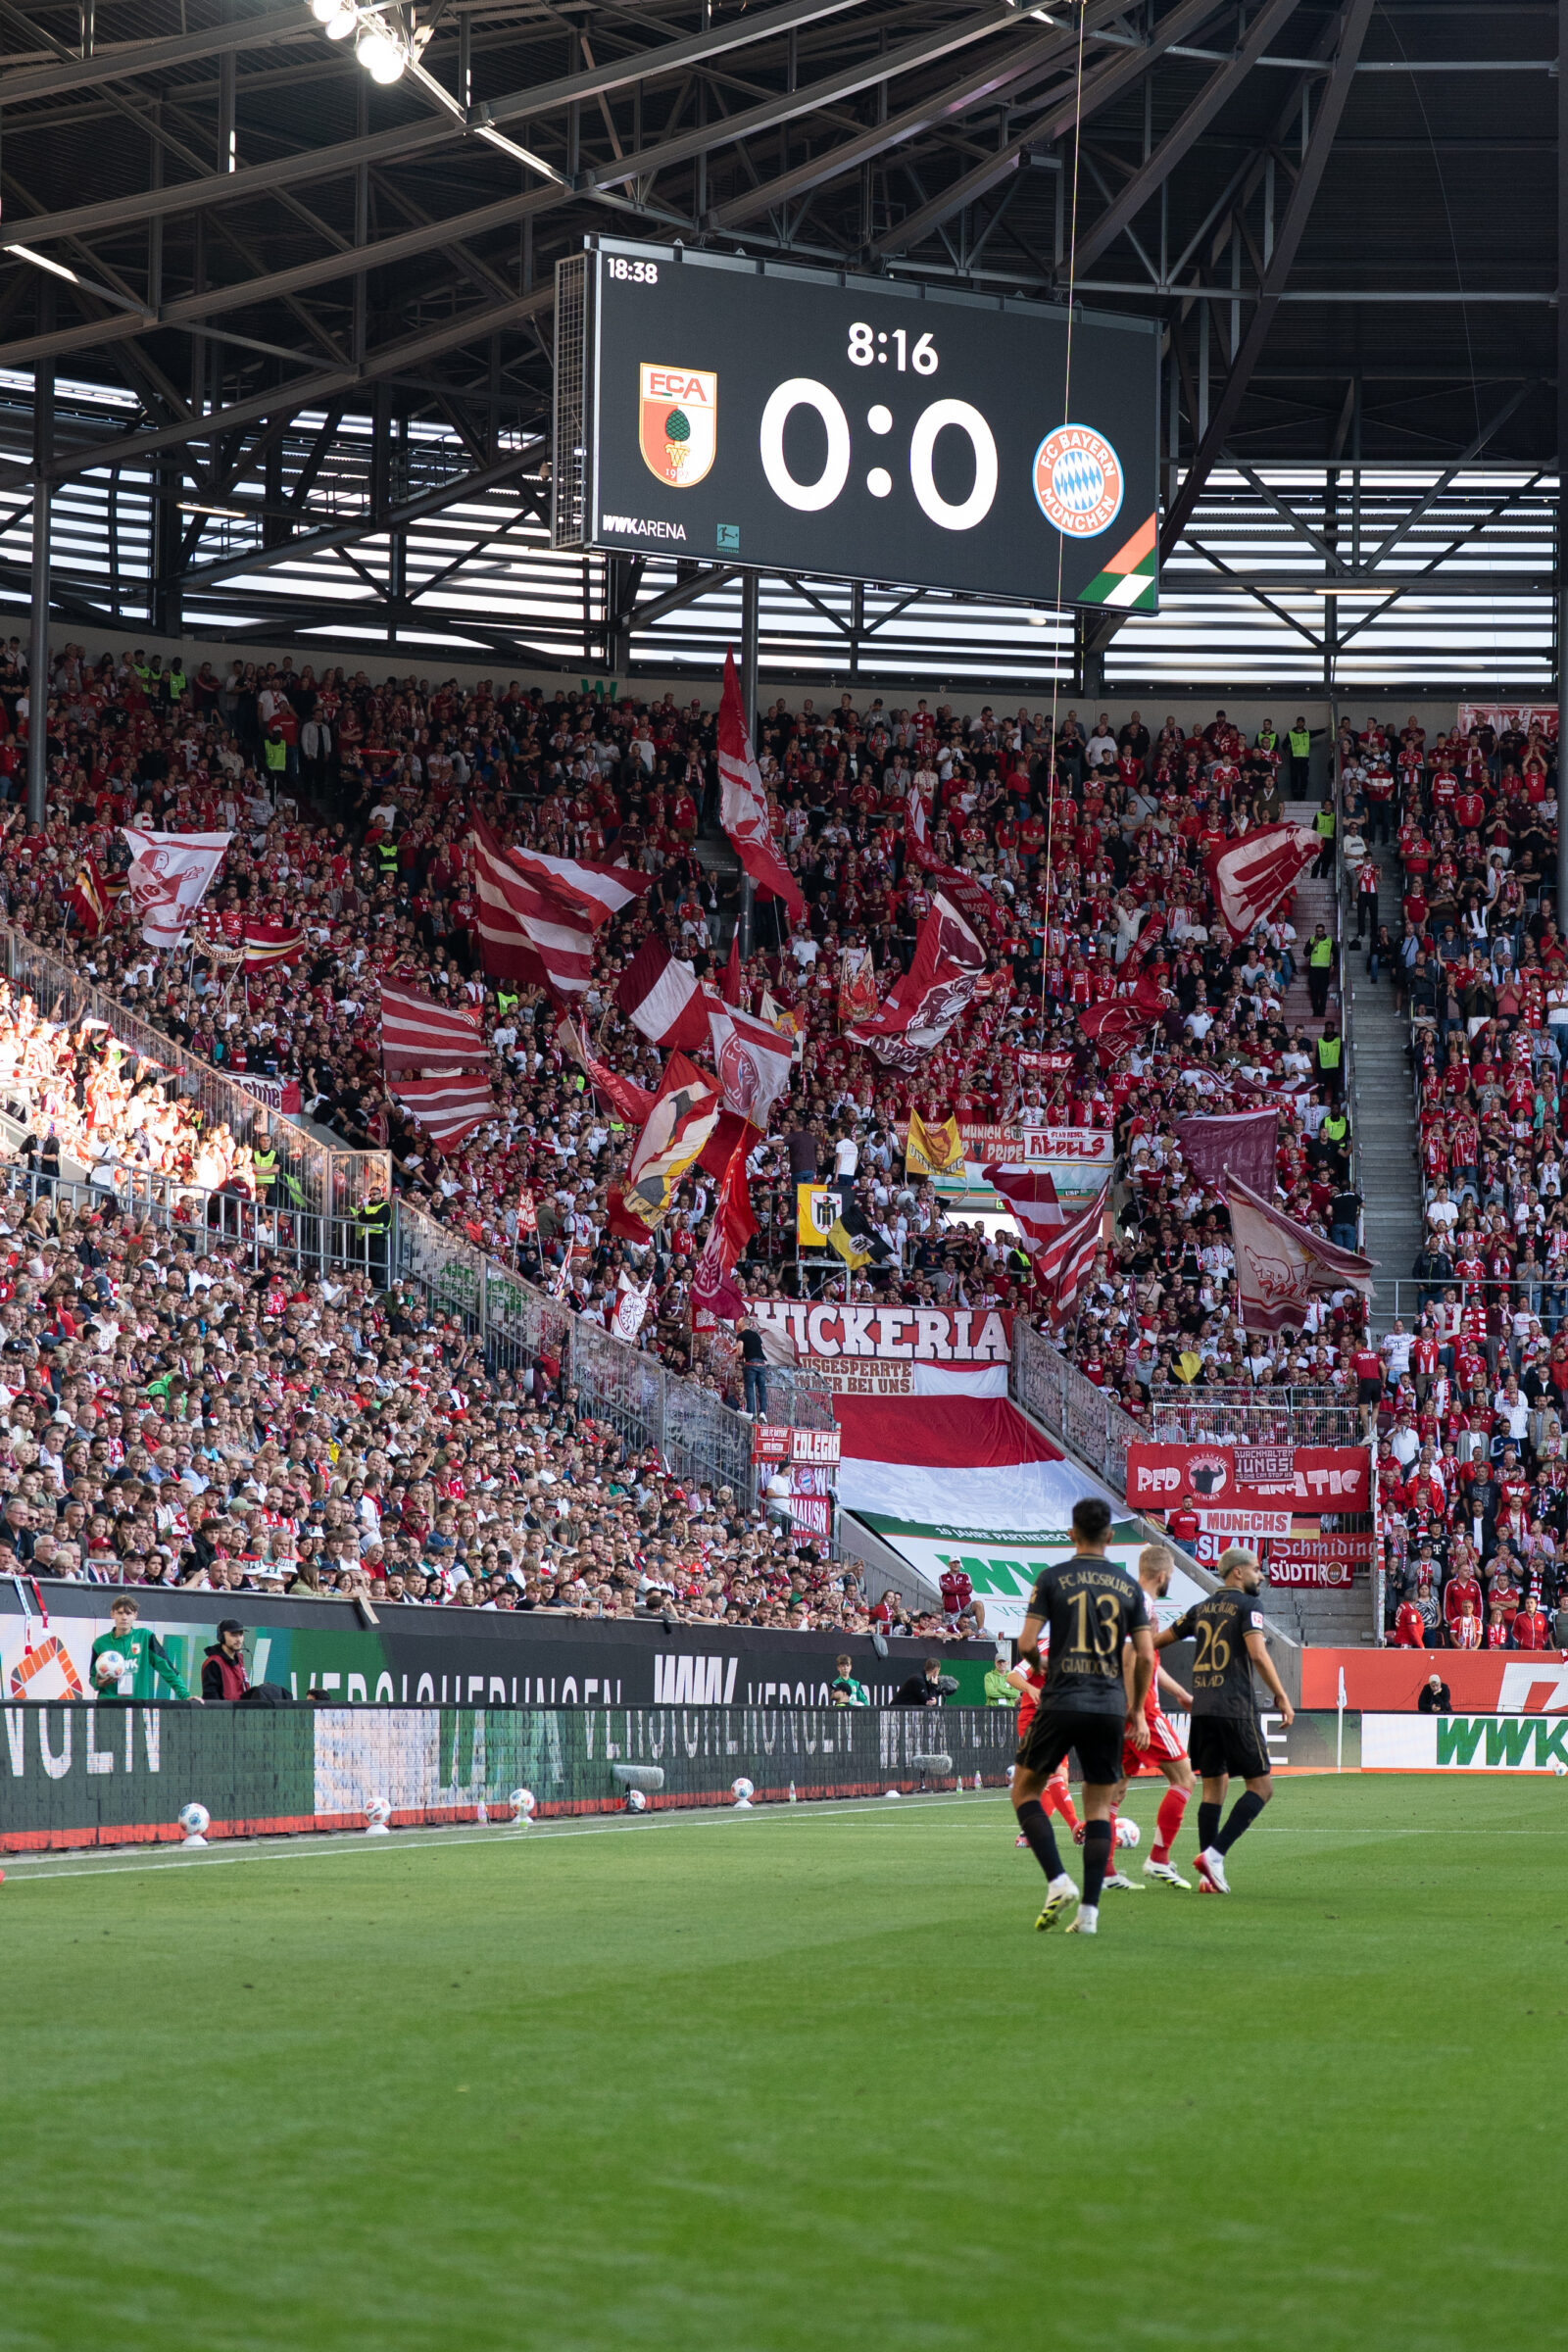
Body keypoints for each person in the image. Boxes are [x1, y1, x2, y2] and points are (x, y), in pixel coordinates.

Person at [1009, 1494, 1154, 1936]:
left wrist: (1040, 1667)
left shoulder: (1051, 1578)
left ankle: (1057, 1881)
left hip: (1060, 1699)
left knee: (1025, 1790)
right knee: (1098, 1807)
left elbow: (1027, 1643)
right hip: (1108, 1705)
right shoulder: (1129, 1587)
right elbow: (1145, 1654)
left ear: (1072, 1534)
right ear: (1111, 1537)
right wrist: (1136, 1709)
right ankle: (1089, 1914)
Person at [1154, 1545, 1293, 1895]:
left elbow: (1159, 1640)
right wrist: (1281, 1694)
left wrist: (1130, 1644)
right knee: (1261, 1788)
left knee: (1214, 1788)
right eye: (1257, 1569)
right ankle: (1214, 1855)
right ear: (1238, 1572)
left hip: (1202, 1709)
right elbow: (1258, 1653)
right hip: (1235, 1707)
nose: (1261, 1576)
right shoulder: (1248, 1606)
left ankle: (1207, 1877)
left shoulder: (1200, 1609)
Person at [1109, 1544, 1198, 1890]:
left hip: (1117, 1705)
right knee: (1184, 1778)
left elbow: (1148, 1659)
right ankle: (1158, 1859)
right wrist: (1139, 1715)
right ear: (1162, 1575)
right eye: (1171, 1575)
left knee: (1116, 1790)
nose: (1170, 1580)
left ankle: (1105, 1873)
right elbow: (1133, 1659)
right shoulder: (1142, 1604)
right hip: (1139, 1707)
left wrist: (1179, 1692)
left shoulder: (1126, 1600)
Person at [89, 1594, 190, 1702]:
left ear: (135, 1615)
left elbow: (167, 1668)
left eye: (128, 1613)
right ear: (112, 1614)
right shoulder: (100, 1643)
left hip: (137, 1706)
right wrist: (98, 1683)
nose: (124, 1617)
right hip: (108, 1705)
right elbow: (93, 1677)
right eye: (120, 1613)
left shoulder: (145, 1637)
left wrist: (185, 1696)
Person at [201, 1618, 251, 1701]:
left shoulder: (240, 1659)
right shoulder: (213, 1663)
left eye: (241, 1634)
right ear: (221, 1637)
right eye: (233, 1635)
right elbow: (211, 1699)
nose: (239, 1639)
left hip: (241, 1712)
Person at [738, 1312, 768, 1419]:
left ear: (742, 1323)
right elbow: (758, 1347)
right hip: (762, 1364)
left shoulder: (741, 1335)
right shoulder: (756, 1335)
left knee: (750, 1387)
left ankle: (750, 1411)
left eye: (739, 1322)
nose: (737, 1323)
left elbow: (740, 1352)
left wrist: (740, 1355)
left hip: (751, 1363)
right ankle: (763, 1412)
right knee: (762, 1389)